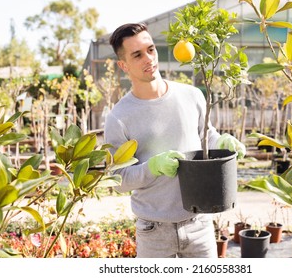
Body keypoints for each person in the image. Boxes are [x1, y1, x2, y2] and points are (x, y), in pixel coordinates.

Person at [104, 23, 246, 258]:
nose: (148, 58)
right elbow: (117, 180)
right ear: (123, 65)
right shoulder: (118, 118)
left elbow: (206, 136)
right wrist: (152, 168)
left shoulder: (192, 95)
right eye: (137, 55)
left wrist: (222, 142)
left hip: (199, 223)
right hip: (153, 231)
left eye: (151, 49)